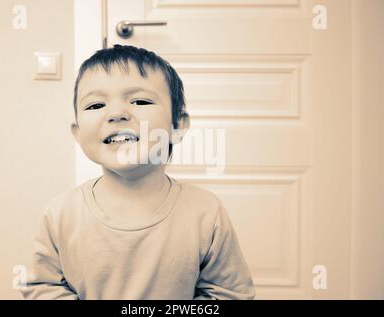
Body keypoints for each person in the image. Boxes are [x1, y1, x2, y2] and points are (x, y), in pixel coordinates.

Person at [19, 44, 255, 300]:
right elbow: (41, 288)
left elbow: (230, 293)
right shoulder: (61, 214)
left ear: (178, 125)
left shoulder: (206, 212)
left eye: (140, 101)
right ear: (77, 133)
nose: (117, 114)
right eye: (96, 105)